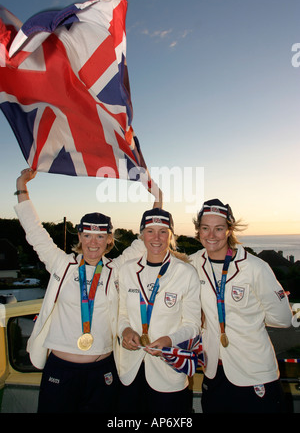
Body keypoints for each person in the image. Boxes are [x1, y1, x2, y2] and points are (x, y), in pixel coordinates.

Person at [14, 168, 144, 413]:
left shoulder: (115, 270)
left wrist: (157, 201)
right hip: (61, 372)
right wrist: (22, 185)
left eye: (100, 236)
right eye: (87, 235)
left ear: (109, 239)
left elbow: (143, 244)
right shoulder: (61, 264)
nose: (93, 242)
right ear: (80, 237)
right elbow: (35, 232)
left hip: (102, 371)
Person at [190, 198, 292, 413]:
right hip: (213, 371)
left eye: (219, 228)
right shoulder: (192, 264)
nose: (211, 235)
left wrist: (251, 315)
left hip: (254, 370)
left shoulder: (255, 267)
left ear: (229, 230)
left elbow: (283, 320)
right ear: (198, 230)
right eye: (205, 228)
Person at [117, 208, 201, 414]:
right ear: (141, 235)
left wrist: (169, 340)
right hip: (130, 370)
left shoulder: (186, 273)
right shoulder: (127, 269)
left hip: (168, 372)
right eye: (150, 231)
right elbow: (120, 314)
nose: (156, 238)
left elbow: (193, 326)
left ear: (171, 236)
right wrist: (125, 331)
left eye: (163, 231)